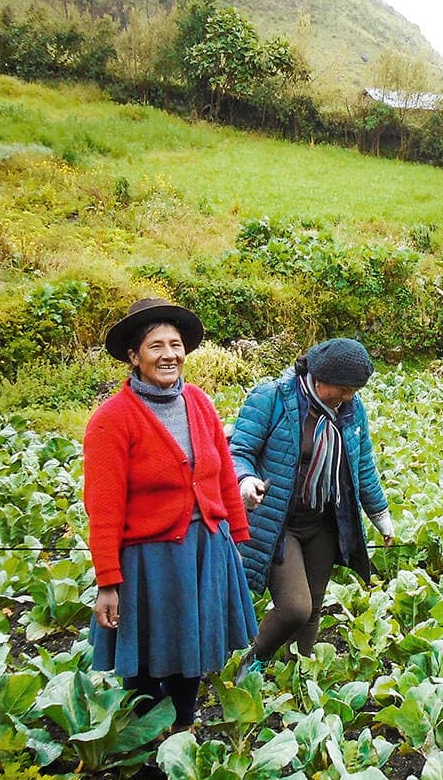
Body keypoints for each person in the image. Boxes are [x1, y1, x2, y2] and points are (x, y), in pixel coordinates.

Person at [84, 297, 256, 728]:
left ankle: (181, 724)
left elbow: (220, 472)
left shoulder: (198, 402)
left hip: (204, 548)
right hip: (150, 559)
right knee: (146, 657)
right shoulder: (112, 419)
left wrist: (235, 539)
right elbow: (103, 508)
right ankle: (145, 736)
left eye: (175, 344)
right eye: (156, 345)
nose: (169, 355)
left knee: (192, 648)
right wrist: (107, 581)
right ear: (134, 356)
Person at [230, 338, 395, 678]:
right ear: (320, 379)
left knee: (315, 604)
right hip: (279, 522)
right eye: (346, 389)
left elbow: (363, 466)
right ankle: (256, 656)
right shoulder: (272, 398)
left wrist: (381, 517)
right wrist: (246, 481)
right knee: (295, 607)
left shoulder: (351, 409)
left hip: (324, 519)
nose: (350, 397)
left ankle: (300, 672)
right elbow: (238, 451)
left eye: (355, 390)